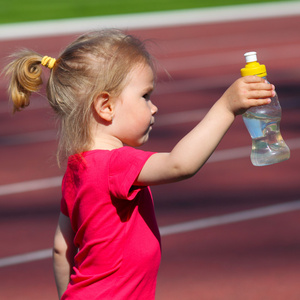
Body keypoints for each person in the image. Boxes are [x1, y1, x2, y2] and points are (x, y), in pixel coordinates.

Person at [4, 29, 275, 299]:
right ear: (105, 106)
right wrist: (226, 107)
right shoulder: (116, 163)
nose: (154, 107)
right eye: (145, 96)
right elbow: (180, 164)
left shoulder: (77, 168)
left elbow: (61, 248)